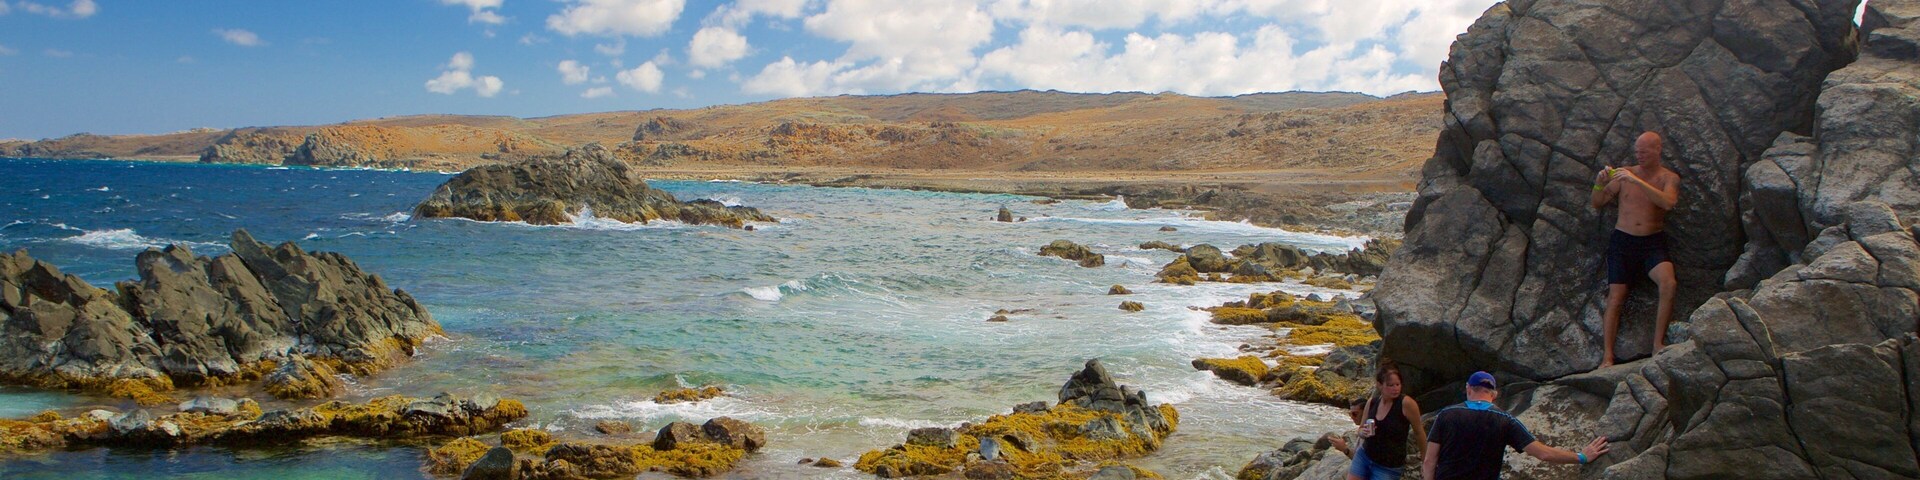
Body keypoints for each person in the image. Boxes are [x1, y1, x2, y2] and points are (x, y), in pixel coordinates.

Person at [1590, 131, 1682, 367]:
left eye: (1644, 152)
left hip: (1652, 242)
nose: (1639, 156)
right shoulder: (1624, 174)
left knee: (1668, 283)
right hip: (1623, 242)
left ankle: (1657, 344)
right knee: (1616, 296)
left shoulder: (1668, 178)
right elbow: (1597, 203)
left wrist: (1637, 181)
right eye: (1637, 152)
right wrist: (1599, 183)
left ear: (1658, 150)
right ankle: (1607, 356)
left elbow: (1668, 203)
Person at [1422, 372, 1609, 480]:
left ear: (1468, 388)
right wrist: (1582, 457)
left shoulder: (1446, 415)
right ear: (1494, 394)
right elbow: (1542, 453)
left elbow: (1429, 461)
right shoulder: (1505, 420)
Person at [1347, 360, 1426, 480]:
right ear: (1379, 385)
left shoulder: (1407, 404)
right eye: (1390, 385)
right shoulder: (1372, 402)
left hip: (1388, 466)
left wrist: (1426, 460)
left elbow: (1419, 432)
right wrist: (1363, 432)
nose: (1395, 389)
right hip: (1364, 456)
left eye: (1398, 384)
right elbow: (1360, 429)